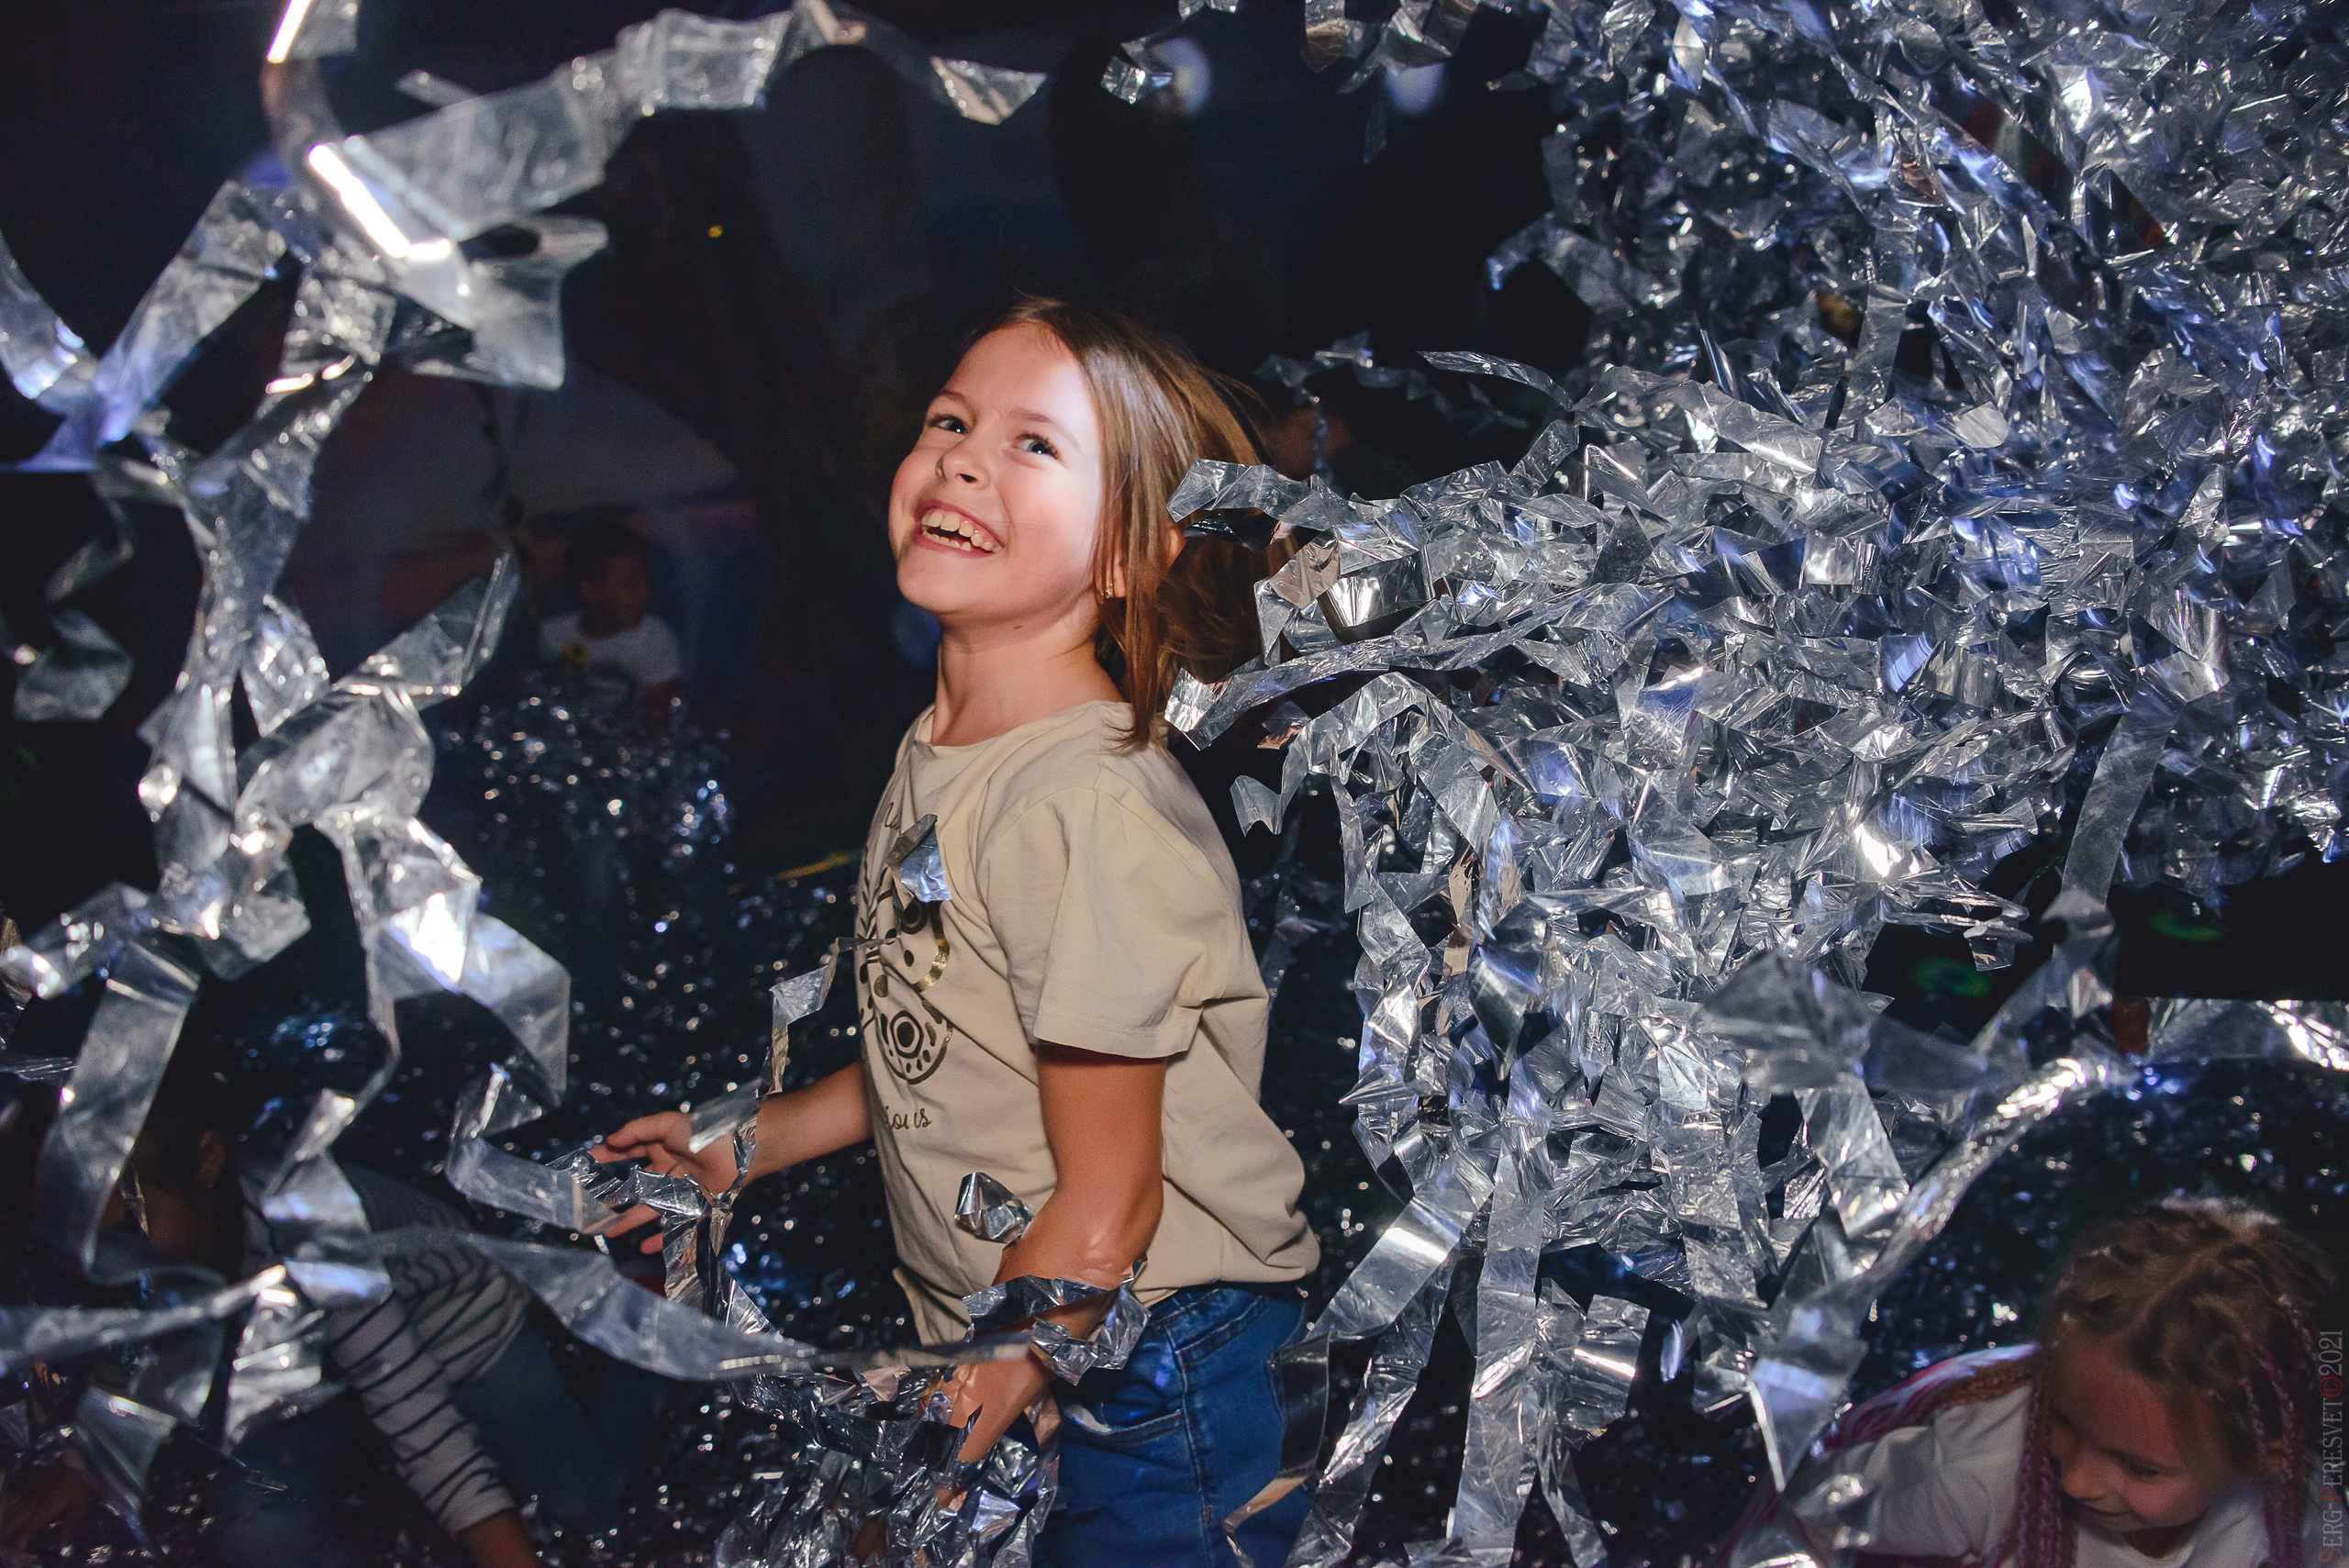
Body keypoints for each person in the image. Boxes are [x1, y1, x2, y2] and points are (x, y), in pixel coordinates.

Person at [598, 298, 1321, 1566]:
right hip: (1041, 1330)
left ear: (1130, 556)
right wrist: (736, 1147)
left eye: (1037, 446)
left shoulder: (1080, 804)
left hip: (1157, 1363)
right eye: (950, 419)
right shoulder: (943, 753)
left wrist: (1001, 1369)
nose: (965, 456)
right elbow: (932, 1052)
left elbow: (1111, 1193)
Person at [1, 1082, 667, 1567]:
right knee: (255, 1525)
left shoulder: (309, 1224)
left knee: (589, 1502)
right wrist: (86, 1463)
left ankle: (647, 1329)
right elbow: (150, 1336)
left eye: (129, 1214)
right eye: (75, 1226)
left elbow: (421, 1424)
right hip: (312, 1373)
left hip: (457, 1325)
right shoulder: (161, 1252)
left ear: (205, 1161)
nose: (106, 1253)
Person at [1758, 1195, 2334, 1568]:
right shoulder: (1973, 1469)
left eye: (2138, 1467)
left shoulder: (2289, 1513)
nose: (2078, 1481)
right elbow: (1802, 1522)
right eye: (2060, 1419)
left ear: (2264, 1458)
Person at [540, 515, 683, 722]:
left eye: (647, 580)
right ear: (589, 591)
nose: (645, 593)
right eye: (630, 583)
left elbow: (658, 720)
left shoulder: (654, 638)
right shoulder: (552, 637)